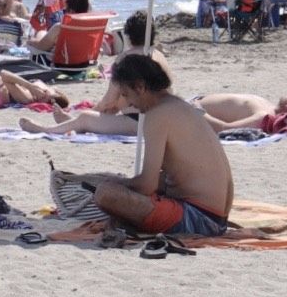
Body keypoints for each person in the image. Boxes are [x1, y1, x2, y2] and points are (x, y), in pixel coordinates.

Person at [76, 54, 234, 238]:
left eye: (126, 95)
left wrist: (115, 184)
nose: (128, 103)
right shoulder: (179, 105)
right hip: (215, 217)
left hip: (199, 219)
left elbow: (147, 185)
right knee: (118, 183)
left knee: (106, 193)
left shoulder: (157, 115)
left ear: (140, 87)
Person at [20, 12, 167, 135]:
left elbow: (108, 100)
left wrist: (92, 113)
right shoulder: (159, 56)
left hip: (139, 122)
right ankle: (75, 122)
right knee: (115, 104)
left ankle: (48, 130)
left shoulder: (126, 58)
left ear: (128, 36)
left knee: (85, 117)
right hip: (161, 120)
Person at [191, 92, 287, 134]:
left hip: (192, 114)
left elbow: (224, 128)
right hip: (194, 103)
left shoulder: (263, 116)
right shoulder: (269, 105)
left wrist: (197, 111)